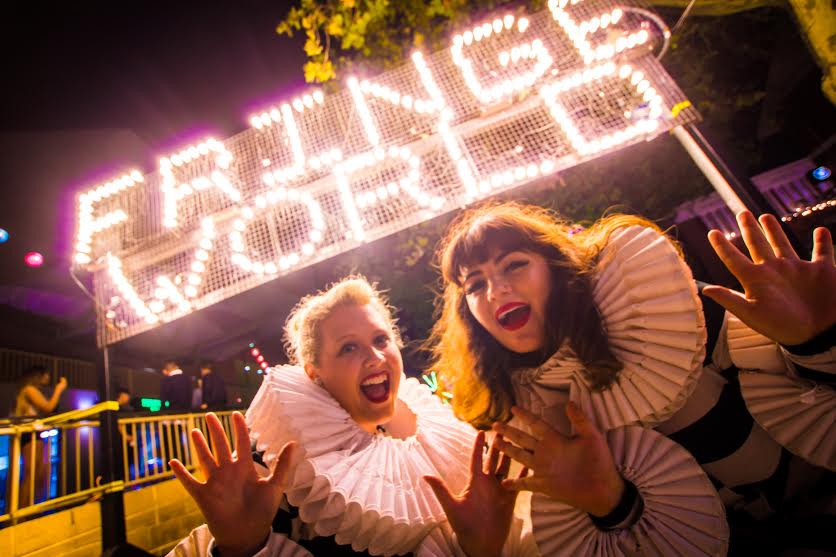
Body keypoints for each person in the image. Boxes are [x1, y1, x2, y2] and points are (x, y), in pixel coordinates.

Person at [429, 202, 835, 555]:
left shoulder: (655, 315)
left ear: (556, 268)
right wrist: (610, 505)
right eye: (475, 285)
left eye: (514, 264)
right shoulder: (520, 416)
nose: (496, 290)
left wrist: (814, 343)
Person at [167, 276, 535, 557]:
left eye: (381, 340)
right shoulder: (276, 472)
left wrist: (480, 549)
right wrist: (242, 547)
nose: (374, 357)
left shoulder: (425, 453)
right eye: (348, 348)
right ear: (315, 375)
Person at [12, 365, 67, 507]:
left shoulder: (31, 390)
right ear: (39, 376)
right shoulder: (29, 389)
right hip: (29, 434)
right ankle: (22, 512)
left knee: (38, 473)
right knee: (31, 474)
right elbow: (48, 407)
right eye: (46, 375)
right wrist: (59, 389)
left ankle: (31, 508)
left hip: (35, 433)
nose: (48, 378)